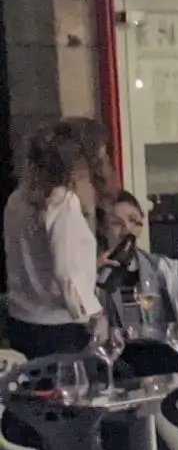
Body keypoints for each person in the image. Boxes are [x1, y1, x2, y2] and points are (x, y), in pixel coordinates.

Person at [4, 119, 112, 359]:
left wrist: (89, 267)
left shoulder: (17, 199)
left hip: (23, 320)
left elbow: (33, 259)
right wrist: (94, 313)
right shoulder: (63, 202)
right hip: (61, 328)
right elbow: (67, 274)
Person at [98, 190, 178, 331]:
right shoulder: (94, 270)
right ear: (103, 228)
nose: (127, 229)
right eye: (116, 223)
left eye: (133, 220)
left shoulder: (161, 267)